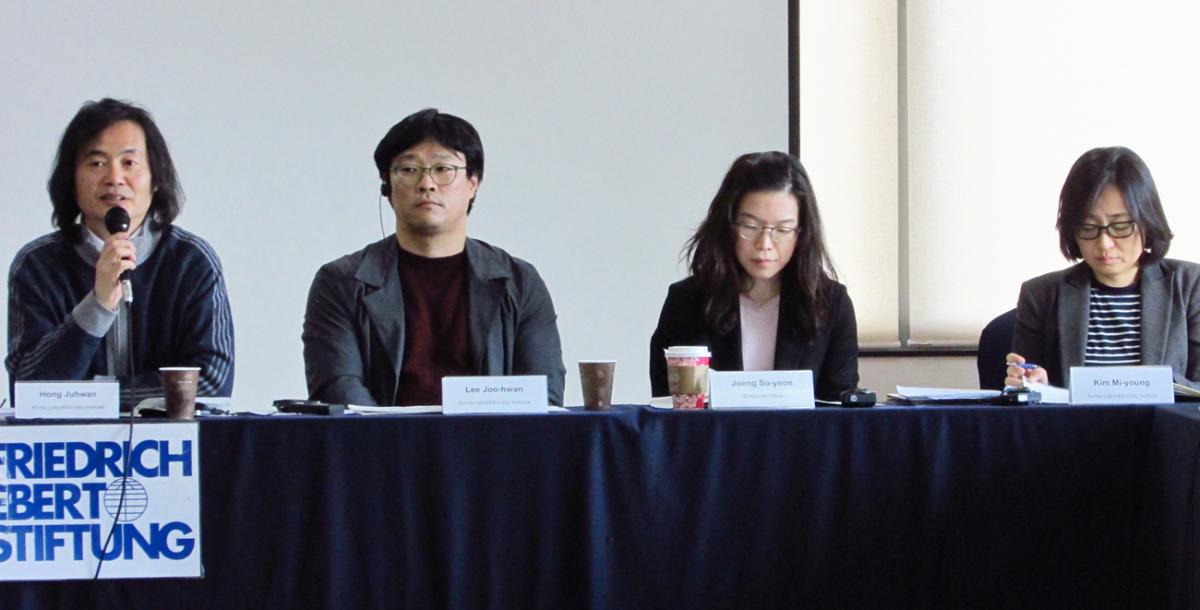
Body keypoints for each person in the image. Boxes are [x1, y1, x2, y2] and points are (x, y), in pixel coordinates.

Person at [303, 108, 565, 406]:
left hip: (492, 437)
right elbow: (339, 391)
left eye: (443, 169)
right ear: (387, 188)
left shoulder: (519, 282)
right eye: (408, 170)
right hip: (380, 437)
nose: (426, 184)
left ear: (473, 182)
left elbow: (542, 394)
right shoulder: (341, 282)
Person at [6, 98, 235, 408]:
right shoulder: (37, 265)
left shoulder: (191, 261)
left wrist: (94, 395)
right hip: (67, 441)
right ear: (71, 180)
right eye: (96, 163)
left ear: (156, 178)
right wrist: (98, 304)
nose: (114, 178)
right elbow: (28, 390)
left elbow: (211, 384)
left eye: (129, 163)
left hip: (169, 440)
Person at [649, 151, 859, 401]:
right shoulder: (686, 302)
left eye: (782, 229)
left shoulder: (830, 304)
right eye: (750, 227)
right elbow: (668, 407)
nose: (765, 244)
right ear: (728, 225)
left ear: (802, 233)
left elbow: (838, 410)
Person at [1006, 146, 1200, 389]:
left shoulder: (1191, 287)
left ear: (1148, 221)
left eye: (1120, 226)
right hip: (1073, 417)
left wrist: (1155, 385)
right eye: (1088, 228)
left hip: (1163, 416)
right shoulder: (1041, 295)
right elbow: (1028, 391)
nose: (1104, 244)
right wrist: (1036, 385)